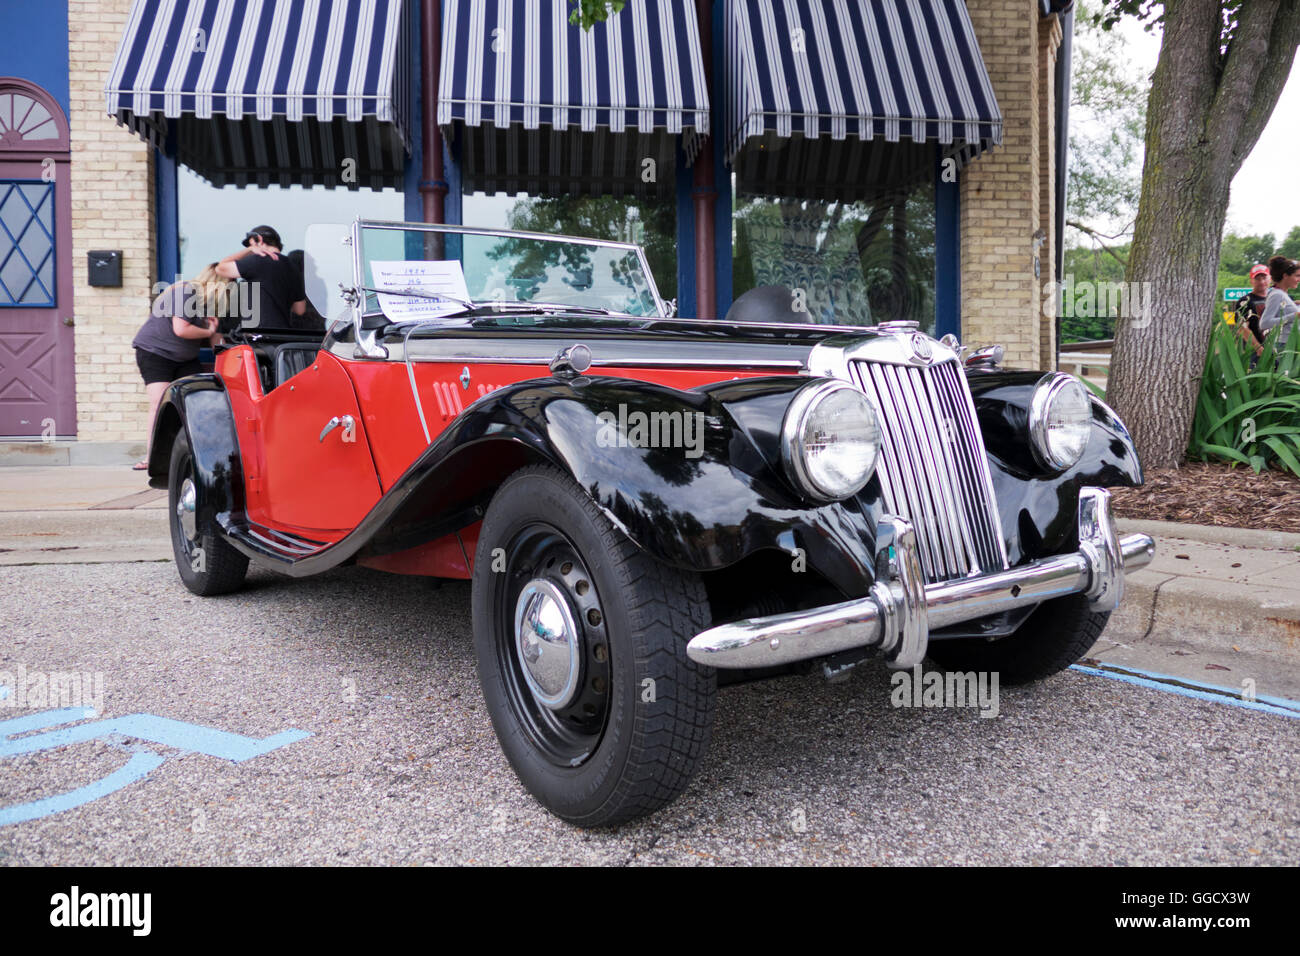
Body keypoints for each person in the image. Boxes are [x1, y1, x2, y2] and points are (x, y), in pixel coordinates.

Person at [131, 264, 232, 470]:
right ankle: (152, 458)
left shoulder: (209, 305)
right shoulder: (185, 291)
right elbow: (181, 329)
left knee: (197, 403)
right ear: (217, 284)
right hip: (155, 353)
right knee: (159, 404)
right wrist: (207, 331)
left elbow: (216, 340)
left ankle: (197, 455)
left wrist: (226, 355)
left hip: (185, 358)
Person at [216, 225, 307, 331]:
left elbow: (220, 268)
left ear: (259, 240)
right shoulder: (292, 267)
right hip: (282, 335)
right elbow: (300, 309)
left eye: (251, 245)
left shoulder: (259, 261)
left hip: (259, 336)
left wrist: (249, 250)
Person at [1259, 255, 1300, 351]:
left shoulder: (1281, 294)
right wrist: (1295, 315)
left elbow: (1282, 310)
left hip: (1292, 345)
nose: (1299, 279)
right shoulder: (1277, 295)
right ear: (1285, 276)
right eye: (1297, 276)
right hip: (1286, 347)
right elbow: (1264, 323)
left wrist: (1295, 305)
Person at [1234, 264, 1270, 358]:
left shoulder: (1275, 297)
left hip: (1276, 348)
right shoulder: (1245, 301)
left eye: (1264, 278)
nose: (1262, 282)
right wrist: (1258, 348)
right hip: (1254, 352)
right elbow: (1241, 328)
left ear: (1270, 279)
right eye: (1257, 279)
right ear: (1251, 281)